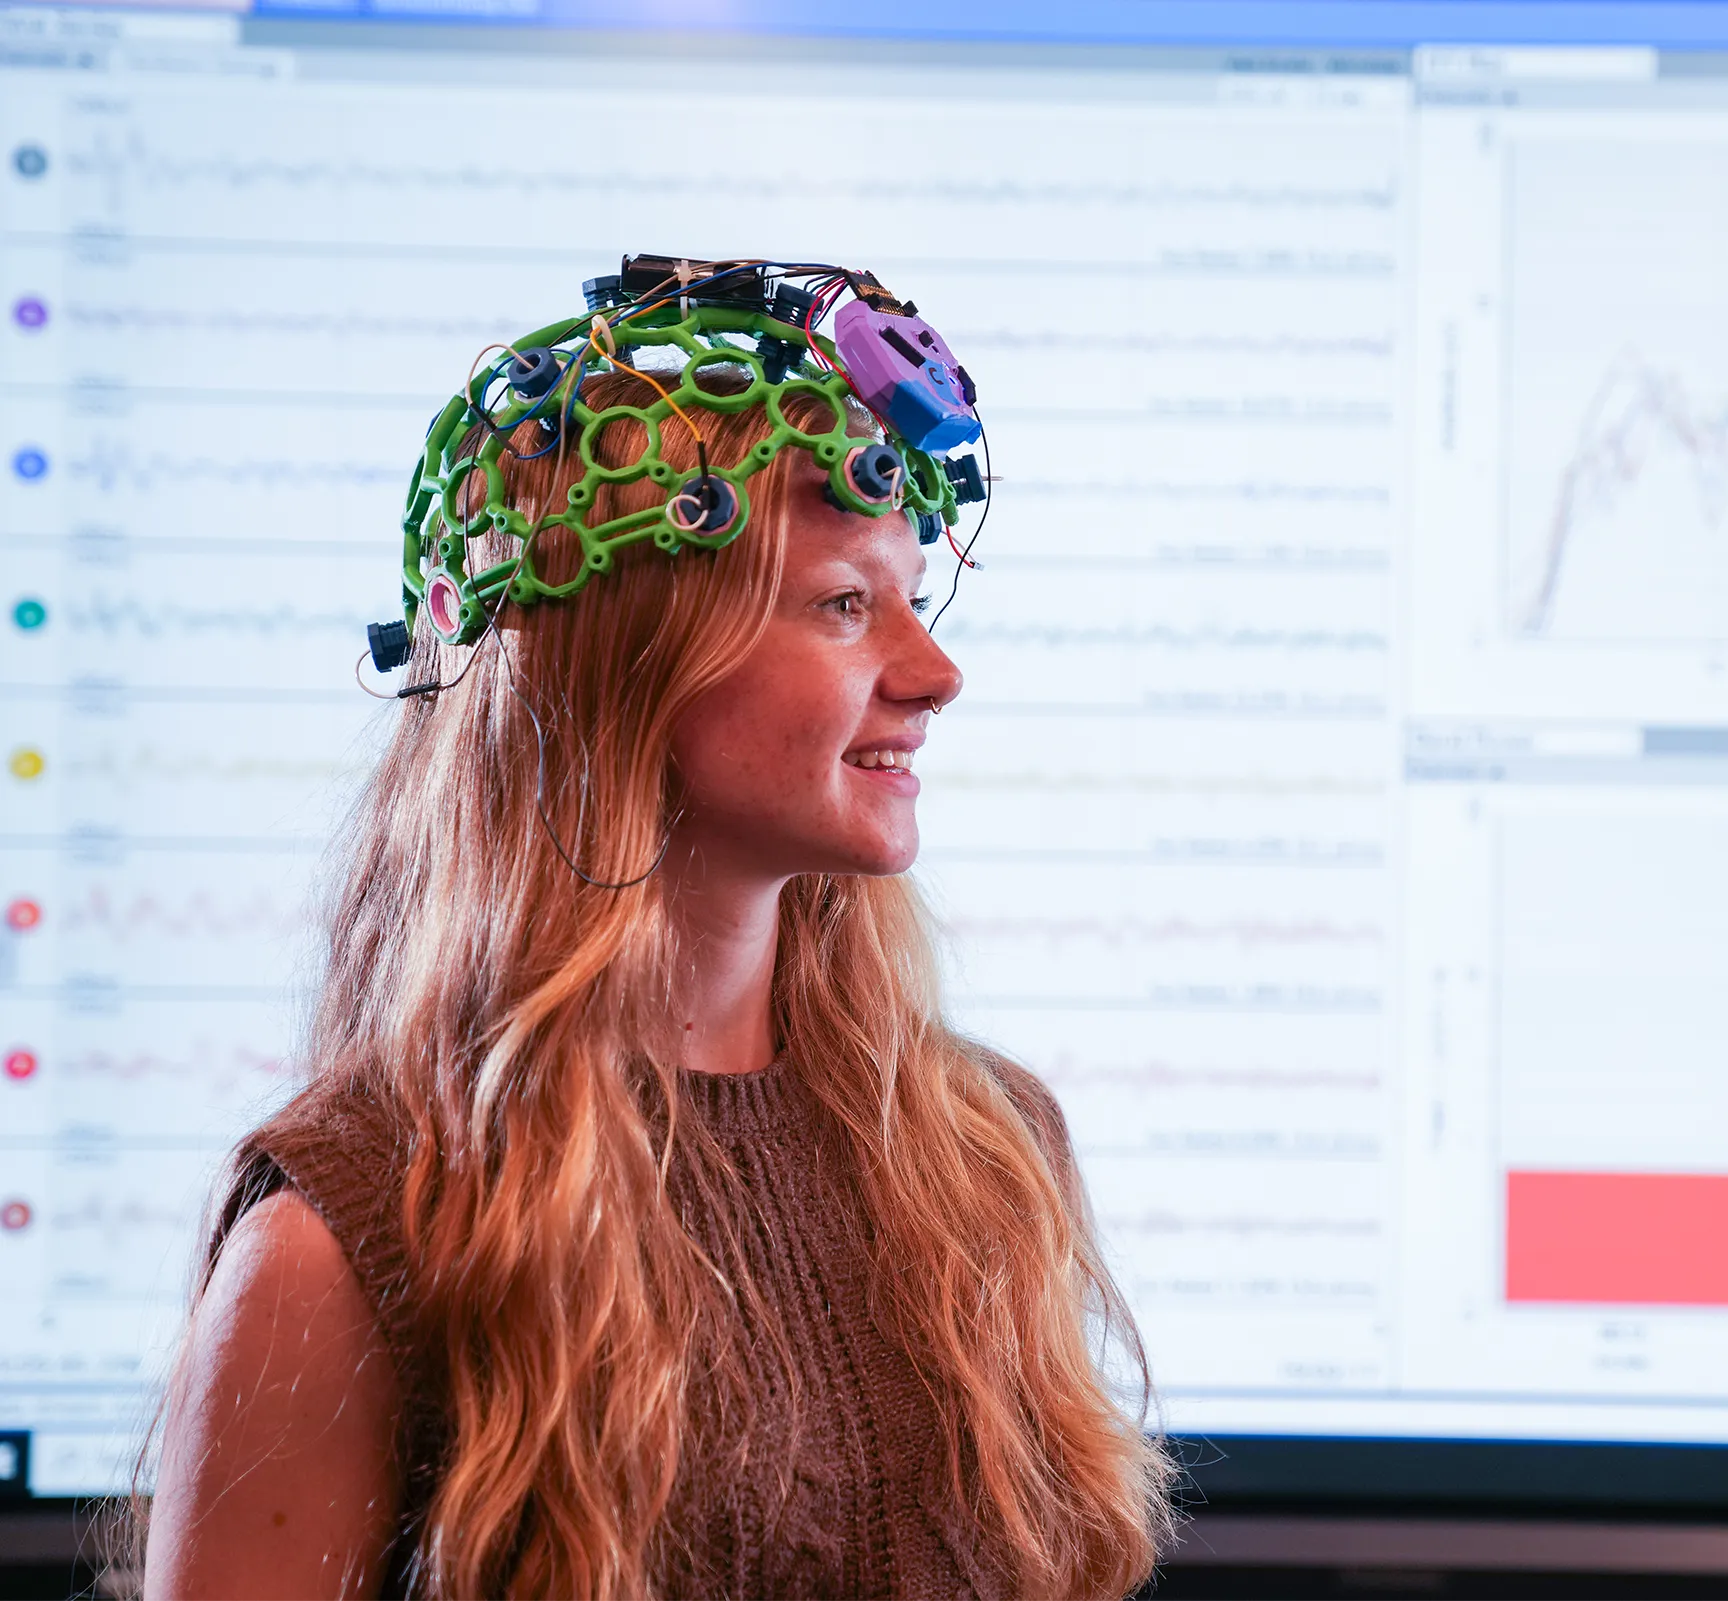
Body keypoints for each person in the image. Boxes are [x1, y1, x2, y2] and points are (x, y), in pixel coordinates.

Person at [134, 269, 1170, 1601]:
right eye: (845, 604)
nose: (934, 672)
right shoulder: (347, 1239)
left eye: (916, 600)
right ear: (626, 661)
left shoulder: (992, 1157)